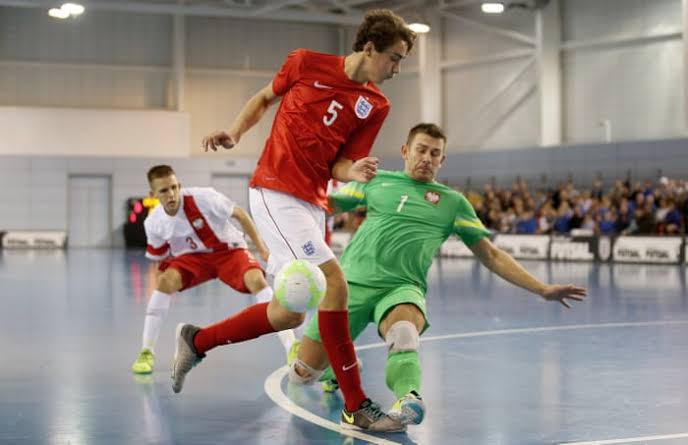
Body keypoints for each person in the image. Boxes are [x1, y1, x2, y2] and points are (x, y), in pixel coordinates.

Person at [201, 9, 416, 432]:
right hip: (274, 189)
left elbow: (342, 163)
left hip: (313, 204)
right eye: (393, 57)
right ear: (369, 48)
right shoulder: (304, 62)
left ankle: (197, 340)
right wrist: (235, 132)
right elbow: (264, 98)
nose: (396, 68)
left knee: (290, 313)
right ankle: (357, 405)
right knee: (335, 283)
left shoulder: (376, 104)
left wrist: (351, 172)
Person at [289, 123, 588, 426]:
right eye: (421, 150)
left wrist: (542, 288)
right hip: (350, 286)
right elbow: (324, 207)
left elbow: (492, 255)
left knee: (404, 333)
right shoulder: (375, 182)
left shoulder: (453, 203)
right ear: (405, 151)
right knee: (301, 375)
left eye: (435, 153)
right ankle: (332, 371)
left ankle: (409, 397)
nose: (427, 158)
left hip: (402, 287)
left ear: (442, 160)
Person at [131, 165, 303, 377]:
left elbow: (240, 214)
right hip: (192, 259)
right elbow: (158, 258)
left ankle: (292, 346)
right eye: (164, 191)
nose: (171, 194)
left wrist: (261, 248)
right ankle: (146, 352)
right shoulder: (154, 222)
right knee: (164, 281)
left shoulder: (204, 197)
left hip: (227, 251)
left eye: (174, 187)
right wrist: (164, 285)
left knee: (256, 279)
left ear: (179, 186)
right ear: (153, 195)